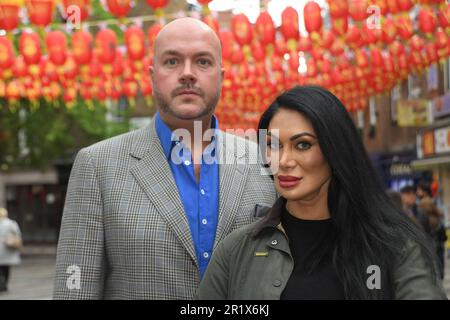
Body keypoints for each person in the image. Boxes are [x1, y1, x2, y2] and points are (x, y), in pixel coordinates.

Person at [53, 18, 276, 299]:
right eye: (172, 62)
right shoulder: (97, 165)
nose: (187, 74)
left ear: (221, 74)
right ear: (151, 75)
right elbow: (75, 285)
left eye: (202, 62)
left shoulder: (263, 160)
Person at [196, 86, 446, 300]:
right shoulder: (237, 249)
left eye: (302, 145)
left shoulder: (394, 247)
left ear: (334, 149)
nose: (283, 160)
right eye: (273, 145)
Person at [419, 198, 447, 279]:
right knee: (439, 272)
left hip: (426, 249)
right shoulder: (438, 218)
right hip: (439, 249)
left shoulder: (422, 219)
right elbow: (444, 237)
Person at [0, 208, 22, 293]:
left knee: (1, 268)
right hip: (7, 248)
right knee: (6, 268)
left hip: (3, 249)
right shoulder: (11, 223)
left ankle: (1, 283)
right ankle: (4, 283)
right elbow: (17, 234)